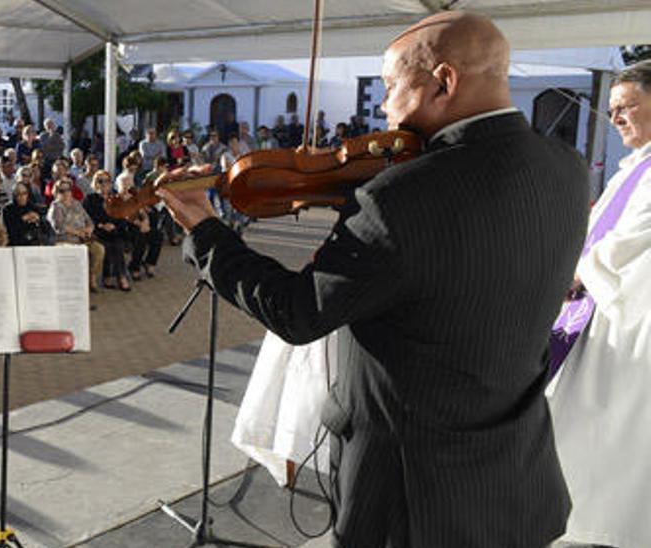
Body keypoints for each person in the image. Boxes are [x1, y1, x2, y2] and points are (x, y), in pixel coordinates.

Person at [158, 12, 586, 547]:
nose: (383, 109)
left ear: (443, 81)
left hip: (412, 501)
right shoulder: (566, 167)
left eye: (389, 87)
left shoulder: (399, 196)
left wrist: (205, 231)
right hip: (517, 481)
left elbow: (298, 311)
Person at [547, 60, 651, 547]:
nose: (615, 119)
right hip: (604, 313)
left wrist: (575, 271)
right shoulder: (636, 166)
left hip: (631, 327)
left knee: (617, 443)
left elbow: (630, 243)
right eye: (610, 110)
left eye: (625, 106)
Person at [48, 176, 104, 292]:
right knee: (78, 253)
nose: (66, 193)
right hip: (65, 240)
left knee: (99, 249)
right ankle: (77, 286)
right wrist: (78, 232)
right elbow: (59, 227)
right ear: (56, 192)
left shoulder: (77, 204)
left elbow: (88, 219)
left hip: (83, 239)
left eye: (68, 189)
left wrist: (90, 228)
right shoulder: (56, 207)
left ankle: (91, 277)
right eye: (62, 190)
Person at [82, 173, 131, 291]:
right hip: (97, 231)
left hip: (115, 231)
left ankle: (121, 277)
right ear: (95, 183)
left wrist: (113, 225)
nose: (104, 184)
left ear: (111, 183)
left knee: (117, 245)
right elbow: (86, 218)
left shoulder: (116, 199)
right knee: (106, 245)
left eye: (107, 181)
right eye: (100, 181)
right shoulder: (90, 199)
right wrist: (101, 225)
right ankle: (107, 277)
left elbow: (122, 217)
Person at [2, 182, 51, 247]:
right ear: (14, 195)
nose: (22, 197)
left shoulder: (33, 207)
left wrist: (38, 219)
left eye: (24, 193)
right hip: (16, 244)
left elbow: (46, 227)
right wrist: (23, 219)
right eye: (18, 194)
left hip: (34, 244)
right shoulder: (8, 209)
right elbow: (10, 230)